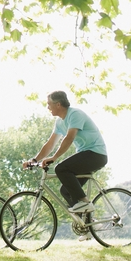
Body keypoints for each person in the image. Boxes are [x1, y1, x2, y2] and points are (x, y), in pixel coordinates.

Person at [23, 91, 108, 220]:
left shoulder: (75, 114)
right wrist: (34, 159)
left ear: (58, 104)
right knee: (66, 190)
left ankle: (85, 203)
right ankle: (87, 224)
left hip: (96, 154)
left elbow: (69, 138)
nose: (47, 108)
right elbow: (50, 144)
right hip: (86, 155)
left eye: (49, 104)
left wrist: (54, 158)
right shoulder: (59, 122)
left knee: (61, 168)